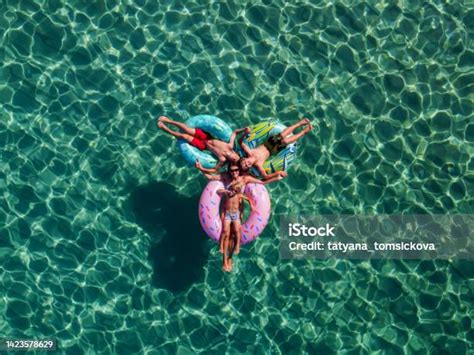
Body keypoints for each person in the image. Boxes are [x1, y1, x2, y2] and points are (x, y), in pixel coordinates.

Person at [200, 163, 286, 271]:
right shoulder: (226, 178)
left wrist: (276, 177)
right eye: (232, 170)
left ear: (239, 170)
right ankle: (224, 260)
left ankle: (229, 259)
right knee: (225, 232)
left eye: (236, 170)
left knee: (234, 235)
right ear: (229, 171)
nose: (234, 172)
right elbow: (212, 178)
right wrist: (200, 168)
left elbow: (262, 182)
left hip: (238, 211)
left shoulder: (245, 179)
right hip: (225, 209)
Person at [157, 116, 249, 170]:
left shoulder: (222, 159)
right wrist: (244, 130)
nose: (233, 158)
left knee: (184, 136)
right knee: (186, 129)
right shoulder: (230, 145)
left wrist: (201, 168)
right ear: (235, 153)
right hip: (206, 137)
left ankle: (166, 129)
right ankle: (168, 120)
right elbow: (234, 132)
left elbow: (214, 170)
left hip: (203, 146)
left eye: (233, 160)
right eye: (235, 157)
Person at [238, 118, 313, 179]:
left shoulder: (249, 152)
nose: (247, 164)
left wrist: (245, 133)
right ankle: (303, 132)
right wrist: (279, 173)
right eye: (246, 167)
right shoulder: (258, 165)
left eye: (244, 163)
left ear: (244, 159)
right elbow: (266, 176)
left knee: (282, 134)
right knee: (285, 141)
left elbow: (240, 142)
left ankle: (299, 124)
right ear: (249, 167)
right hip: (273, 150)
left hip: (267, 143)